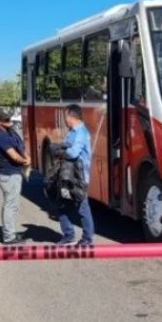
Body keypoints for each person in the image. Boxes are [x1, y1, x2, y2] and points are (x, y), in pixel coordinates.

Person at [0, 108, 30, 245]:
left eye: (9, 118)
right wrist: (25, 161)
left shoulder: (7, 132)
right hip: (9, 175)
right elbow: (14, 156)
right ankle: (9, 237)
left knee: (12, 205)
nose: (9, 121)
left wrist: (25, 157)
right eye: (6, 119)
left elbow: (19, 148)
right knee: (10, 206)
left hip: (11, 174)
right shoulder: (0, 136)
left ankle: (10, 232)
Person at [53, 104, 94, 247]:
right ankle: (68, 235)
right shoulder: (72, 132)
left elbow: (73, 153)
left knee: (82, 206)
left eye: (66, 116)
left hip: (79, 178)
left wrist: (59, 150)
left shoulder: (81, 133)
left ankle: (87, 239)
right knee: (62, 204)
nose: (65, 119)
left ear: (72, 117)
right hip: (68, 176)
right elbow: (66, 146)